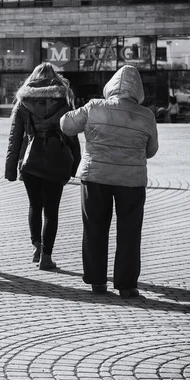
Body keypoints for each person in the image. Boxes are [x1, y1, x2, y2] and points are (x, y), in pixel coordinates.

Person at [60, 65, 159, 298]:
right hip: (132, 181)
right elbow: (151, 150)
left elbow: (66, 126)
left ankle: (97, 282)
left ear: (111, 86)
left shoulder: (94, 107)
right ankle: (127, 285)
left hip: (95, 177)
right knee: (129, 232)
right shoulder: (146, 115)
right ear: (138, 90)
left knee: (94, 227)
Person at [5, 63, 81, 271]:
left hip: (30, 162)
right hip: (56, 160)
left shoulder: (23, 102)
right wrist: (76, 163)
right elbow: (71, 135)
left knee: (34, 205)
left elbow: (15, 137)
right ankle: (46, 257)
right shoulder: (64, 101)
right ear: (54, 78)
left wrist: (11, 168)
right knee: (51, 210)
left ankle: (37, 248)